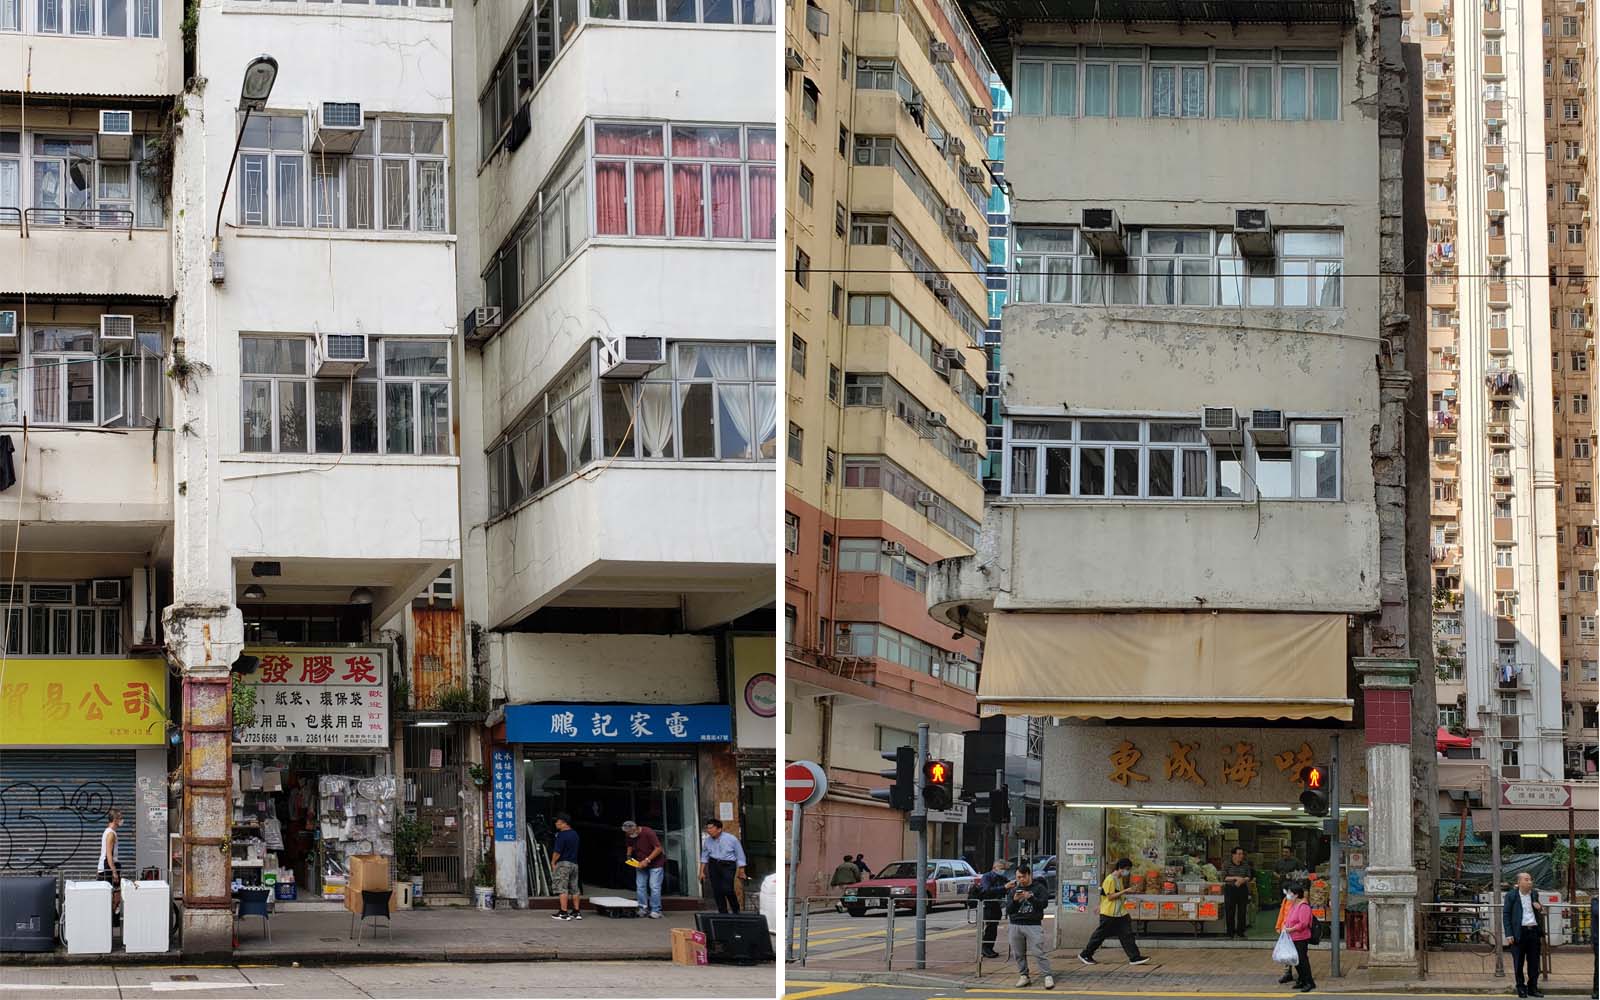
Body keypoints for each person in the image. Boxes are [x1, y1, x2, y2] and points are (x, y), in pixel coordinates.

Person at [1078, 858, 1149, 966]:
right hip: (1109, 914)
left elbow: (1105, 895)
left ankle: (1135, 957)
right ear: (1121, 868)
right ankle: (1085, 954)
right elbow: (1110, 897)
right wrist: (1125, 891)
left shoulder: (1118, 879)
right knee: (1100, 935)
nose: (1127, 872)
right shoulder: (1110, 880)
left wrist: (1125, 896)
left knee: (1127, 935)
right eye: (1127, 869)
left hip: (1120, 913)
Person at [1006, 864, 1054, 989]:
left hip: (1033, 925)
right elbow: (1009, 910)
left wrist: (1031, 897)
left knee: (1038, 951)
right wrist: (1016, 900)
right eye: (1018, 877)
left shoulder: (1039, 888)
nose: (1020, 880)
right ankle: (1024, 975)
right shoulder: (1013, 890)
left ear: (1029, 875)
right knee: (1018, 953)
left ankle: (1047, 976)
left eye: (1023, 877)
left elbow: (1043, 904)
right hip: (1015, 924)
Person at [1502, 871, 1545, 998]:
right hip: (1519, 932)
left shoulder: (1534, 894)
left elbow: (1538, 909)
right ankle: (1520, 987)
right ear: (1519, 882)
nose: (1530, 882)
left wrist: (1539, 907)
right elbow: (1506, 914)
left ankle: (1533, 987)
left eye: (1530, 879)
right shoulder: (1511, 895)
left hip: (1533, 931)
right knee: (1518, 962)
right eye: (1526, 879)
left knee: (1534, 962)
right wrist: (1509, 934)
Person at [698, 819, 747, 914]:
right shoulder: (707, 841)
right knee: (717, 890)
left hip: (728, 865)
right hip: (713, 864)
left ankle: (736, 910)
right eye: (707, 828)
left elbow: (740, 855)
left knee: (727, 889)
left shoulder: (731, 839)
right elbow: (704, 856)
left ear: (719, 829)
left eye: (711, 828)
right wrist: (701, 872)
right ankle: (723, 912)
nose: (709, 830)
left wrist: (742, 870)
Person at [622, 820, 666, 918]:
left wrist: (647, 860)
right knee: (640, 886)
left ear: (636, 829)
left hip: (655, 863)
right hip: (640, 863)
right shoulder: (628, 834)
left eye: (631, 833)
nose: (630, 835)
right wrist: (628, 855)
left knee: (654, 886)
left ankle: (656, 910)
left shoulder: (648, 832)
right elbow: (629, 845)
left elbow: (658, 848)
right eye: (628, 833)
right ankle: (642, 908)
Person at [1282, 880, 1316, 992]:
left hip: (1301, 938)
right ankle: (1301, 980)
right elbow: (1288, 918)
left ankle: (1309, 982)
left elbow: (1303, 923)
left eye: (1290, 893)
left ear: (1296, 894)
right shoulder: (1293, 905)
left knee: (1302, 960)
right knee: (1295, 961)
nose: (1288, 895)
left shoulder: (1303, 906)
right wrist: (1285, 926)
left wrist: (1291, 929)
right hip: (1292, 937)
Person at [549, 813, 582, 921]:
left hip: (563, 864)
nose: (556, 823)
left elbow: (557, 851)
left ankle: (563, 912)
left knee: (562, 888)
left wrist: (553, 862)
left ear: (564, 823)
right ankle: (576, 912)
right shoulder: (575, 834)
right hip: (574, 864)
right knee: (574, 888)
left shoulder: (562, 835)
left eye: (557, 821)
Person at [975, 858, 1009, 959]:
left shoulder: (1001, 878)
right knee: (990, 927)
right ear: (995, 868)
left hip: (996, 905)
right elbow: (987, 890)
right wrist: (1004, 887)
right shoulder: (987, 877)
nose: (1003, 870)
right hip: (987, 905)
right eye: (1001, 868)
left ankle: (989, 948)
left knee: (993, 928)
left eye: (1004, 868)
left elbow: (1006, 887)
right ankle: (985, 948)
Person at [1222, 846, 1254, 939]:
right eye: (1239, 854)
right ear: (1233, 855)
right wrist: (1236, 878)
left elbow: (1249, 876)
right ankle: (1230, 933)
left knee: (1242, 911)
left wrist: (1242, 880)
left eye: (1242, 854)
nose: (1241, 856)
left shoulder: (1245, 864)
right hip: (1230, 889)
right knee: (1230, 911)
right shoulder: (1226, 864)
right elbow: (1224, 877)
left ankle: (1241, 932)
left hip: (1242, 889)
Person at [1274, 885, 1297, 984]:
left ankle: (1302, 973)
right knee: (1286, 952)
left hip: (1294, 930)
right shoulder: (1285, 900)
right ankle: (1287, 973)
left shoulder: (1298, 901)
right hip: (1285, 930)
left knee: (1297, 952)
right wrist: (1278, 926)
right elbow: (1282, 913)